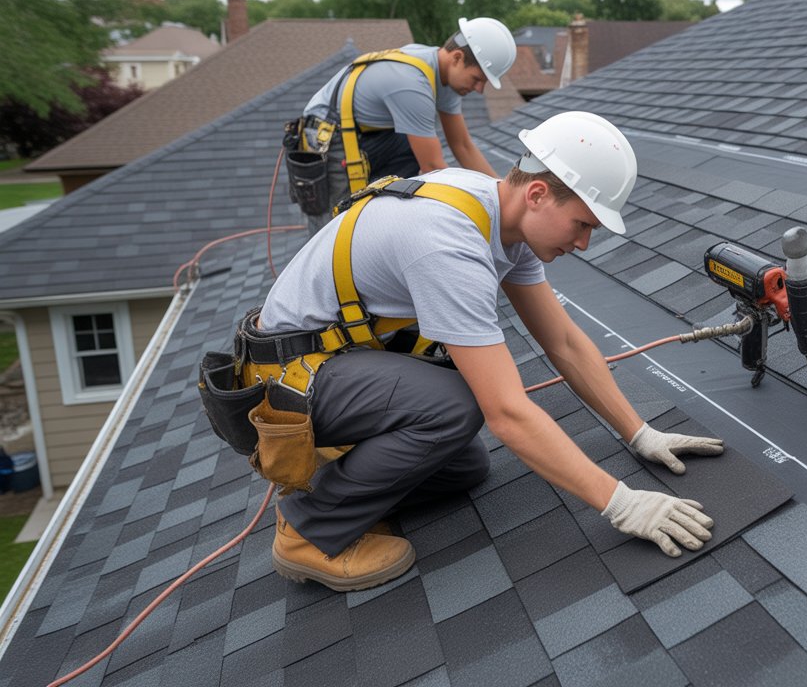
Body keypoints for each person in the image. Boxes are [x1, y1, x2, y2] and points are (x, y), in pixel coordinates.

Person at [241, 111, 725, 591]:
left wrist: (639, 434)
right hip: (286, 384)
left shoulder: (497, 214)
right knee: (458, 406)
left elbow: (563, 342)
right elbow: (507, 414)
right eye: (582, 223)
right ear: (537, 194)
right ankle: (307, 531)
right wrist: (622, 504)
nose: (583, 242)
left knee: (465, 465)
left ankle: (342, 471)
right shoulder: (447, 243)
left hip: (330, 365)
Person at [289, 17, 517, 232]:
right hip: (325, 138)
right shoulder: (412, 83)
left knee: (413, 159)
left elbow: (463, 145)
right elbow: (432, 165)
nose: (479, 90)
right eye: (477, 79)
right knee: (337, 223)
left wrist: (504, 194)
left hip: (366, 133)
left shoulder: (443, 74)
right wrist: (479, 210)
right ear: (456, 57)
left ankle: (381, 224)